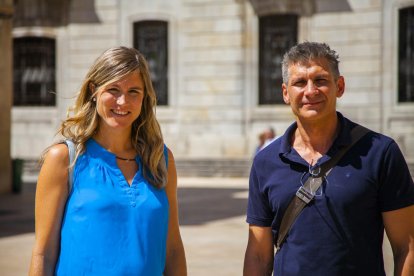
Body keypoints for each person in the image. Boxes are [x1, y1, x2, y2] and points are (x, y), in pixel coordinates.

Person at [243, 42, 414, 275]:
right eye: (300, 83)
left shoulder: (380, 152)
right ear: (285, 93)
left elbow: (407, 246)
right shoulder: (265, 162)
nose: (310, 91)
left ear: (339, 86)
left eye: (320, 80)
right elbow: (258, 254)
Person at [29, 46, 187, 275]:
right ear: (94, 91)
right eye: (114, 89)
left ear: (144, 97)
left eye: (134, 91)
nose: (123, 102)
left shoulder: (160, 159)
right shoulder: (64, 159)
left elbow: (172, 250)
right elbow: (43, 254)